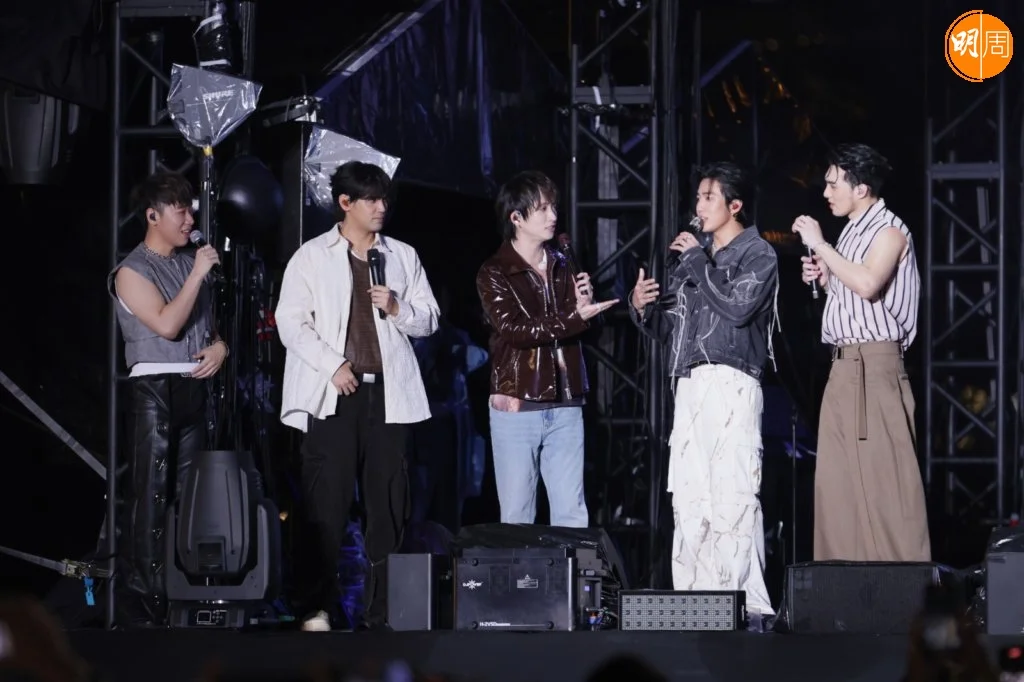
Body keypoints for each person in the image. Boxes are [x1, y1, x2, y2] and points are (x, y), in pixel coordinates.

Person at [276, 160, 439, 632]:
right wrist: (333, 365)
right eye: (371, 199)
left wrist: (398, 307)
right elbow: (291, 323)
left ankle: (380, 612)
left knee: (387, 504)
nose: (381, 207)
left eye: (385, 198)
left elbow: (429, 319)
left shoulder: (402, 255)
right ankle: (317, 607)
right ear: (345, 203)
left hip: (388, 395)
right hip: (333, 394)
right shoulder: (312, 256)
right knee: (324, 503)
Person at [630, 162, 778, 625]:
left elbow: (737, 308)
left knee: (732, 493)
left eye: (708, 197)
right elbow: (672, 330)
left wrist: (697, 260)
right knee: (691, 496)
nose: (698, 206)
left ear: (735, 205)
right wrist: (642, 308)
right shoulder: (694, 258)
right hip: (691, 383)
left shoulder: (758, 254)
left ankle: (744, 602)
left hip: (732, 381)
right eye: (697, 197)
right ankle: (694, 597)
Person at [793, 142, 930, 562]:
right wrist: (825, 278)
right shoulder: (851, 231)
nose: (826, 193)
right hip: (843, 367)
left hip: (875, 365)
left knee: (886, 484)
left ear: (861, 188)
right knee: (839, 487)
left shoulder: (890, 230)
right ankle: (841, 585)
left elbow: (869, 284)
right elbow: (855, 297)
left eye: (834, 185)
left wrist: (821, 247)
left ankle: (904, 586)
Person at [108, 171, 227, 626]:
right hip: (153, 388)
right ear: (153, 216)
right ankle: (146, 597)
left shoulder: (189, 263)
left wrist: (221, 347)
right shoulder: (131, 271)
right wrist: (197, 272)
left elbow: (206, 327)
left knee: (190, 495)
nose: (190, 219)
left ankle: (185, 589)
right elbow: (167, 325)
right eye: (181, 211)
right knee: (152, 493)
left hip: (195, 385)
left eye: (191, 210)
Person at [476, 170, 617, 527]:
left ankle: (569, 569)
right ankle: (519, 569)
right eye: (542, 209)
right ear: (516, 218)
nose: (553, 215)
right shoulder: (495, 272)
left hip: (567, 401)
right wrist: (574, 317)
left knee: (572, 513)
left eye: (553, 206)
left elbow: (587, 331)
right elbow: (515, 331)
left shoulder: (564, 262)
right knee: (518, 515)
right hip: (517, 402)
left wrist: (586, 306)